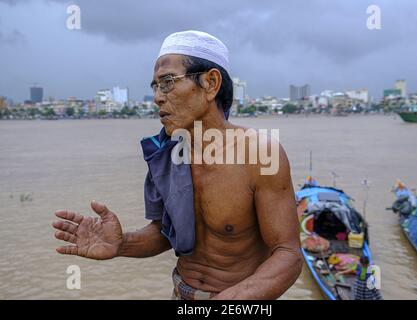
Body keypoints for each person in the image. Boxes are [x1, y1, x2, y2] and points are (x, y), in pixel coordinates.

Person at [52, 30, 302, 300]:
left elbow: (288, 255)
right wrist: (121, 243)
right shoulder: (167, 153)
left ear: (211, 83)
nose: (158, 97)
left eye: (168, 82)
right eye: (155, 86)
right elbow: (166, 233)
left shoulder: (259, 153)